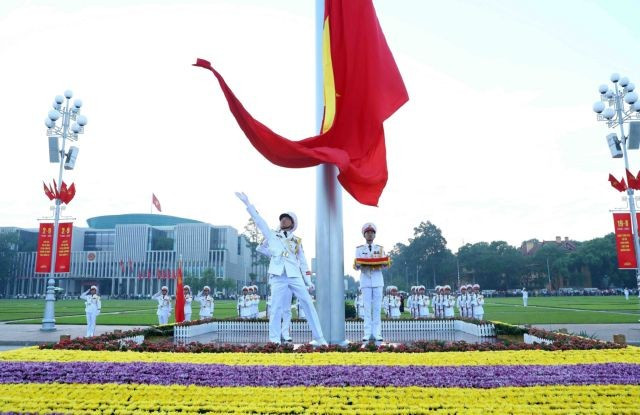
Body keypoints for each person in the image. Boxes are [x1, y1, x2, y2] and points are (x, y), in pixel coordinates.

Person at [236, 192, 327, 346]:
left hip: (294, 275)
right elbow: (259, 221)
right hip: (278, 276)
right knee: (276, 307)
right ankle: (274, 340)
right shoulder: (272, 235)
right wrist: (248, 204)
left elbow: (303, 263)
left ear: (292, 223)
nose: (283, 220)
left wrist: (308, 280)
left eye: (287, 218)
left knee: (308, 304)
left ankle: (319, 338)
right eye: (282, 218)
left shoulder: (297, 241)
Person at [353, 222, 390, 342]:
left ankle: (377, 333)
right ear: (364, 235)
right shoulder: (359, 249)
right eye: (368, 232)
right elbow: (357, 265)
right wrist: (358, 265)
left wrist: (385, 263)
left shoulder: (380, 249)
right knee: (367, 308)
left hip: (378, 280)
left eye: (372, 233)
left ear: (375, 235)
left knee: (377, 308)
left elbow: (385, 265)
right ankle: (367, 333)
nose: (370, 234)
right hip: (365, 280)